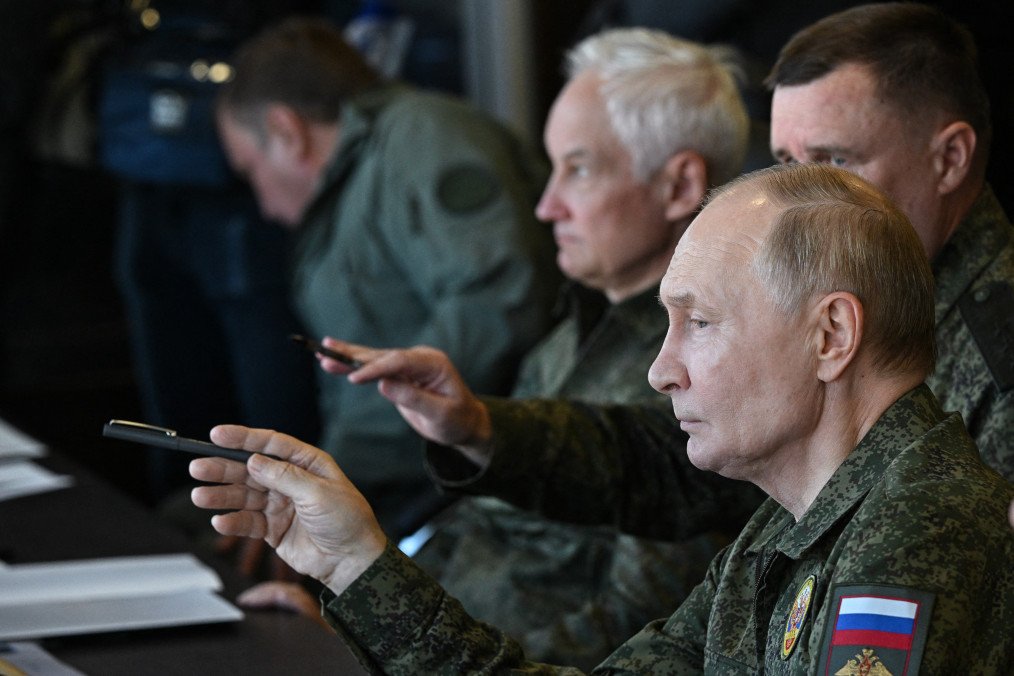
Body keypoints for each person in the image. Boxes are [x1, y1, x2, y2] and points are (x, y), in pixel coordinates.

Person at [188, 163, 1014, 673]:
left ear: (830, 335)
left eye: (702, 321)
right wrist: (356, 566)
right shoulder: (782, 528)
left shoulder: (917, 522)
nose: (661, 368)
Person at [242, 26, 758, 668]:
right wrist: (349, 620)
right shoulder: (572, 328)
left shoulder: (700, 373)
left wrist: (382, 651)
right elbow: (471, 528)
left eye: (579, 169)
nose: (546, 207)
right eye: (551, 167)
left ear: (680, 186)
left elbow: (638, 629)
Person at [214, 16, 560, 537]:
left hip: (452, 486)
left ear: (286, 132)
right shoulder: (363, 171)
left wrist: (336, 478)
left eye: (250, 169)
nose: (262, 204)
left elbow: (500, 299)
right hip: (402, 474)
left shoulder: (425, 139)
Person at [767, 2, 1014, 480]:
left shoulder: (1000, 349)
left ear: (949, 159)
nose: (794, 203)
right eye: (787, 165)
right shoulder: (837, 293)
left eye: (835, 161)